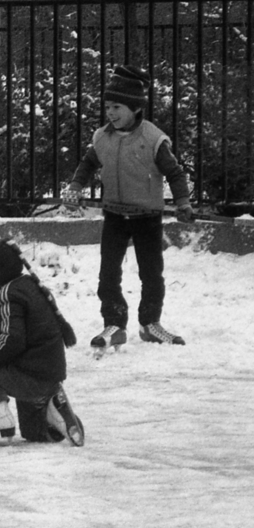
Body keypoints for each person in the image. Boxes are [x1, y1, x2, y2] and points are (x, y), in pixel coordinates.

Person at [61, 65, 195, 350]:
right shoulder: (102, 137)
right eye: (108, 106)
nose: (110, 112)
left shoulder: (153, 138)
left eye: (117, 107)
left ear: (135, 108)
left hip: (147, 217)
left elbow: (175, 173)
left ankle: (150, 324)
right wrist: (75, 187)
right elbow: (87, 164)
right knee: (108, 273)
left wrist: (182, 202)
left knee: (151, 273)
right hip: (114, 215)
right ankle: (114, 323)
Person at [0, 239, 84, 446]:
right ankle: (53, 411)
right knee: (34, 434)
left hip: (29, 376)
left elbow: (12, 342)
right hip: (48, 376)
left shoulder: (8, 296)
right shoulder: (31, 286)